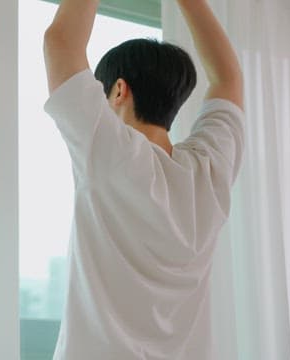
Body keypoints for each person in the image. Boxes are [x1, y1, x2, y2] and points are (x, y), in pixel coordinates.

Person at [43, 0, 244, 359]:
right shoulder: (209, 171)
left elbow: (61, 42)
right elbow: (228, 78)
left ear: (118, 90)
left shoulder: (106, 151)